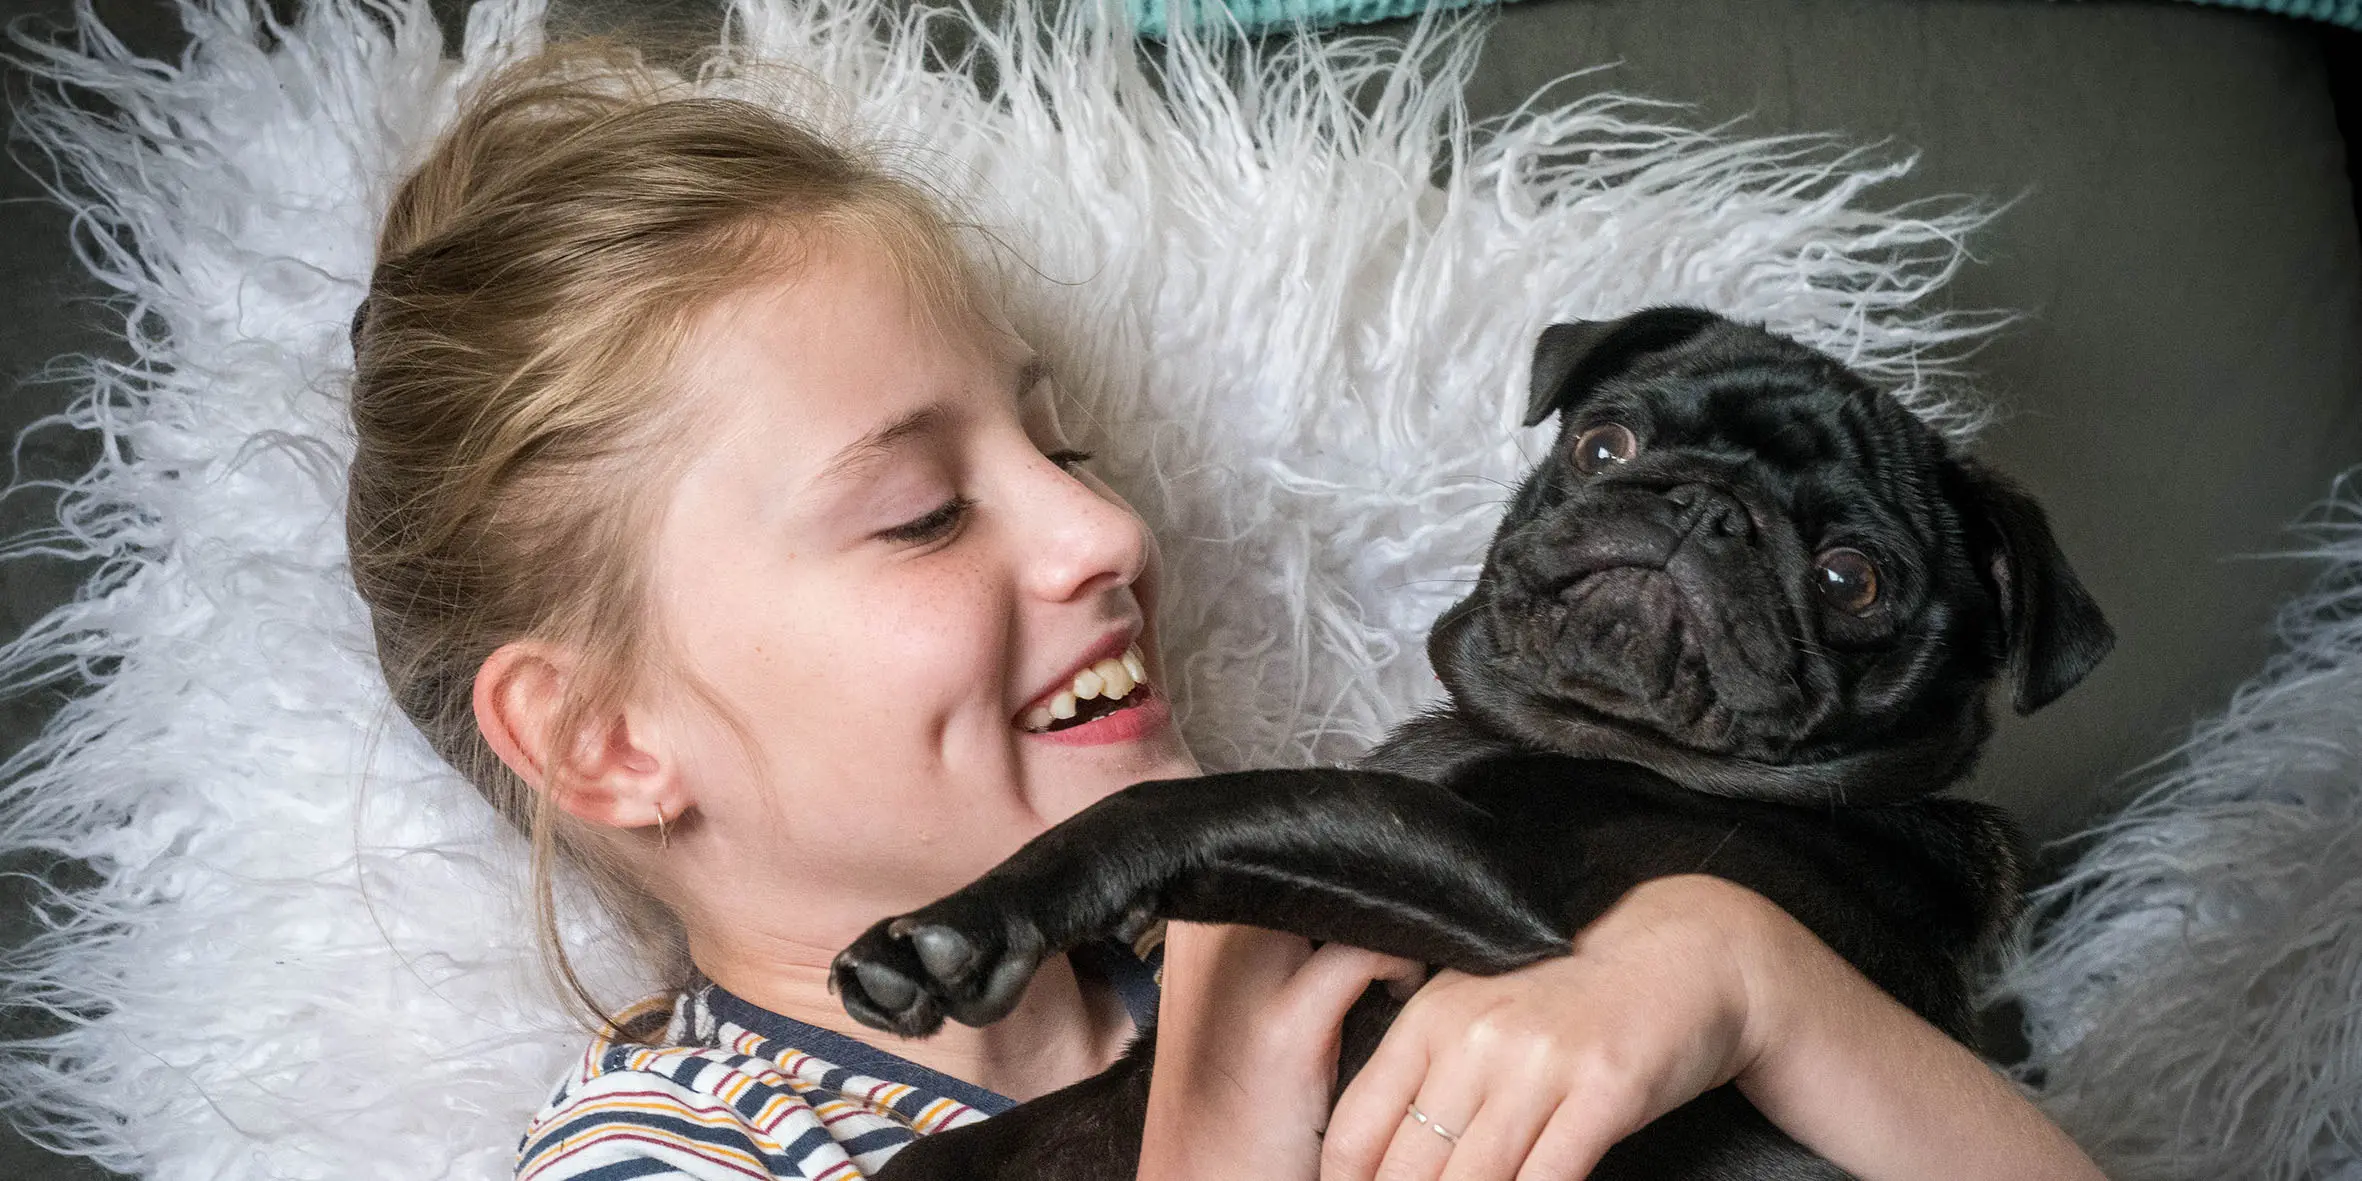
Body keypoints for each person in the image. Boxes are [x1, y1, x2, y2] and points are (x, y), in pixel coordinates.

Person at [341, 39, 2107, 1181]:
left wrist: (1755, 984)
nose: (1098, 527)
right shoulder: (664, 1156)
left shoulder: (1286, 906)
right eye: (923, 513)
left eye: (1066, 445)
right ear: (604, 739)